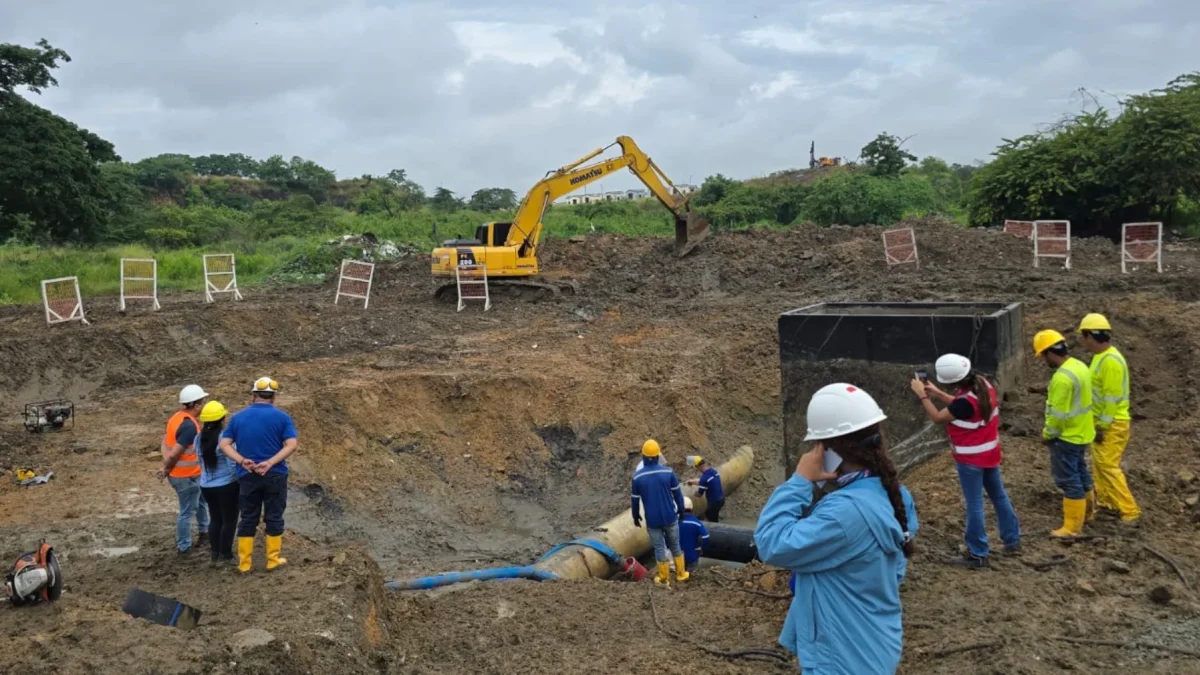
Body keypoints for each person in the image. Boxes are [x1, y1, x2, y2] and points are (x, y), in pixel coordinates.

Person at [755, 383, 919, 675]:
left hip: (840, 659)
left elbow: (771, 542)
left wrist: (800, 482)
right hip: (875, 644)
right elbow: (894, 568)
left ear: (830, 452)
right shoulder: (892, 494)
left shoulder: (844, 514)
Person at [911, 354, 1021, 568]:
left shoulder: (964, 403)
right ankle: (1012, 540)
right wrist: (938, 394)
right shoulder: (984, 384)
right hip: (990, 452)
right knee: (999, 496)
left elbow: (938, 418)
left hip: (970, 459)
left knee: (975, 504)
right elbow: (965, 406)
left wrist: (923, 396)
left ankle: (978, 553)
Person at [218, 376, 298, 573]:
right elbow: (291, 444)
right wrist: (270, 462)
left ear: (253, 395)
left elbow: (224, 444)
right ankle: (273, 560)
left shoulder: (238, 418)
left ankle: (245, 563)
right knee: (274, 516)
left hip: (248, 474)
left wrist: (241, 460)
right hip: (275, 474)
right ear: (273, 396)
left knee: (248, 517)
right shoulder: (282, 417)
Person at [1077, 313, 1140, 524]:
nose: (1081, 340)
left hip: (1112, 423)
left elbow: (1112, 398)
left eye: (1083, 336)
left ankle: (1129, 511)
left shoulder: (1110, 361)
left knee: (1108, 465)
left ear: (1090, 336)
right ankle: (1107, 502)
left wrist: (1103, 425)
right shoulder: (1100, 357)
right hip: (1101, 422)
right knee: (1100, 464)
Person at [1033, 329, 1096, 537]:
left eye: (1043, 356)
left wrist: (1047, 434)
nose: (1044, 361)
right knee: (1081, 473)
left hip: (1066, 437)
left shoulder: (1061, 379)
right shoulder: (1079, 366)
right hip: (1082, 432)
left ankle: (1072, 528)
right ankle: (1088, 514)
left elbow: (1057, 416)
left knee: (1069, 480)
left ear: (1050, 353)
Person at [157, 384, 211, 554]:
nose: (204, 405)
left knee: (200, 502)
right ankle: (184, 546)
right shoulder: (189, 427)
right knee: (187, 511)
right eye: (202, 402)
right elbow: (175, 454)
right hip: (185, 477)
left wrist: (166, 465)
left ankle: (204, 531)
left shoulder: (176, 418)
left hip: (191, 474)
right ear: (196, 405)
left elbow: (165, 441)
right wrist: (166, 468)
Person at [631, 439, 689, 585]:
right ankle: (681, 574)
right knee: (675, 545)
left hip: (653, 520)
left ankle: (664, 578)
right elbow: (678, 495)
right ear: (658, 456)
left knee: (659, 548)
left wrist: (635, 516)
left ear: (643, 457)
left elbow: (635, 501)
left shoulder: (637, 477)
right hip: (670, 517)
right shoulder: (668, 472)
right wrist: (681, 510)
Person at [196, 401, 240, 565]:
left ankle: (214, 554)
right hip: (226, 485)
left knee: (215, 518)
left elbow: (199, 462)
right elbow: (232, 464)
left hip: (206, 485)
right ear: (222, 419)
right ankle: (226, 554)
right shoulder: (225, 439)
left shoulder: (198, 438)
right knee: (229, 520)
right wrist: (239, 481)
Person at [685, 455, 725, 522]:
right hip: (721, 499)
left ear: (697, 467)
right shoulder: (713, 471)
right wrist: (692, 481)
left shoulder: (704, 478)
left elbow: (699, 494)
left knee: (711, 519)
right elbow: (706, 482)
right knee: (713, 514)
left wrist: (692, 493)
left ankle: (715, 527)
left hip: (714, 502)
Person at [678, 496, 710, 575]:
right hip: (692, 555)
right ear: (691, 508)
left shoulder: (674, 522)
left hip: (678, 555)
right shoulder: (695, 522)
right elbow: (706, 536)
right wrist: (702, 548)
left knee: (680, 574)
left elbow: (666, 537)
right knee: (691, 576)